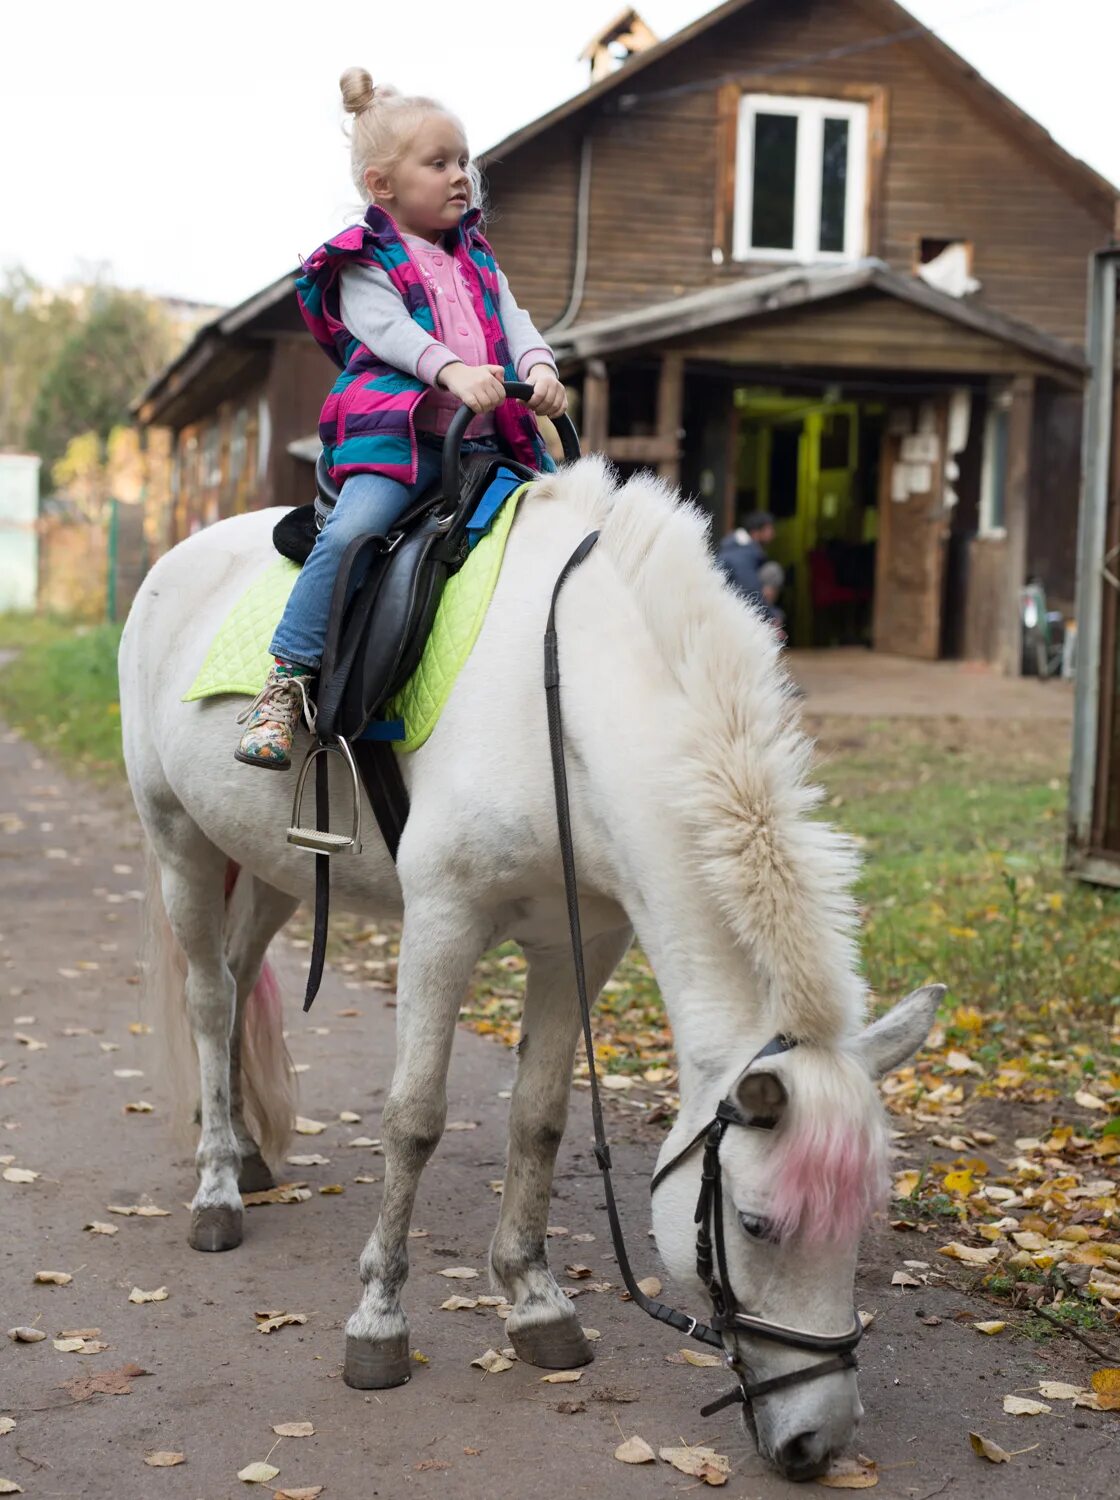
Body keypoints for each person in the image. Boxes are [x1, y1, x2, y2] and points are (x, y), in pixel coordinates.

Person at [235, 69, 566, 769]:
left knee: (567, 518)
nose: (460, 177)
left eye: (464, 161)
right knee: (355, 532)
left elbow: (516, 321)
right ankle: (286, 680)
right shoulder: (363, 260)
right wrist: (452, 370)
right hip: (398, 444)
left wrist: (538, 368)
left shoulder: (477, 256)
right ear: (383, 185)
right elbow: (390, 333)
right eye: (439, 163)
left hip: (483, 443)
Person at [716, 510, 776, 611]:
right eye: (768, 529)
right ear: (755, 533)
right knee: (773, 571)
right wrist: (771, 617)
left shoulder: (742, 549)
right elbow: (749, 592)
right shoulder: (742, 553)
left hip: (731, 607)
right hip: (729, 610)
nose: (773, 534)